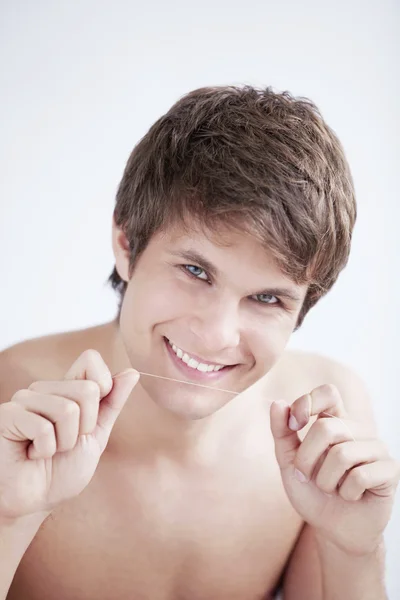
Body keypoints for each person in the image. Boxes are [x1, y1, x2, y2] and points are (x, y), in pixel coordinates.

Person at [0, 85, 398, 600]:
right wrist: (7, 518)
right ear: (126, 244)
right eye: (194, 270)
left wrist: (354, 552)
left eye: (268, 298)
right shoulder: (10, 404)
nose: (216, 334)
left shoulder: (327, 426)